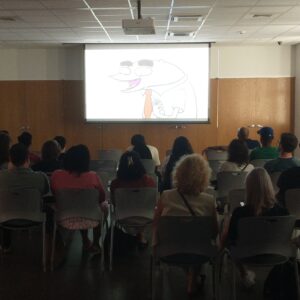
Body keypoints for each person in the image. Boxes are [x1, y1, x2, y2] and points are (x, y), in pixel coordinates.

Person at [154, 154, 218, 294]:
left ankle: (190, 274)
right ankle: (193, 274)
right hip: (200, 252)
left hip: (170, 251)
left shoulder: (166, 196)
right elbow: (214, 232)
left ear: (178, 174)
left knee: (184, 240)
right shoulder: (209, 200)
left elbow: (156, 225)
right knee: (195, 241)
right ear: (204, 176)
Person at [225, 168, 288, 287]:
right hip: (276, 252)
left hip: (244, 254)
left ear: (248, 187)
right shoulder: (282, 211)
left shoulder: (239, 213)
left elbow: (231, 239)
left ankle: (244, 274)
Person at [51, 144, 107, 253]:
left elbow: (54, 195)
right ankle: (95, 243)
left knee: (78, 205)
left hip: (63, 218)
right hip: (91, 218)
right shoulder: (93, 176)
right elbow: (102, 198)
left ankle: (85, 240)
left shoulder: (56, 175)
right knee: (103, 206)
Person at [0, 143, 49, 252]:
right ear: (28, 159)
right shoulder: (40, 177)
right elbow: (45, 193)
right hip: (34, 218)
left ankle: (5, 245)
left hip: (4, 219)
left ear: (9, 158)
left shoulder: (1, 177)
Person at [110, 151, 156, 246]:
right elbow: (152, 203)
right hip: (146, 217)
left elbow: (115, 203)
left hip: (122, 217)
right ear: (139, 164)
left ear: (121, 165)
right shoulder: (149, 182)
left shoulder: (115, 184)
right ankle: (141, 235)